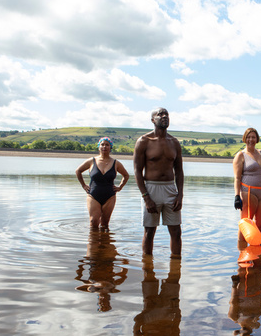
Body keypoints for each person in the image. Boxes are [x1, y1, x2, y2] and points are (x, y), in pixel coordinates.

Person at [134, 108, 184, 257]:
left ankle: (175, 266)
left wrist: (180, 195)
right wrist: (146, 197)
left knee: (176, 231)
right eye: (160, 115)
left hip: (170, 189)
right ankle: (147, 268)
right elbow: (137, 171)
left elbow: (179, 171)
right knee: (149, 231)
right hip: (151, 188)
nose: (164, 117)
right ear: (152, 120)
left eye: (166, 114)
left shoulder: (174, 142)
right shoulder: (144, 141)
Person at [75, 137, 130, 228]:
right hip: (93, 195)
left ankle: (104, 241)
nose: (104, 147)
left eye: (107, 145)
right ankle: (94, 242)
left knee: (105, 223)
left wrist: (120, 187)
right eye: (102, 144)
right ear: (99, 147)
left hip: (110, 196)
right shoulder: (91, 161)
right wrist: (83, 185)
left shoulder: (116, 163)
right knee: (93, 221)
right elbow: (78, 171)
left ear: (110, 147)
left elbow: (126, 175)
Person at [232, 128, 261, 242]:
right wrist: (237, 196)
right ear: (245, 139)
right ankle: (242, 255)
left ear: (257, 139)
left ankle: (255, 251)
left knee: (260, 225)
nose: (251, 139)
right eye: (248, 137)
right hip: (248, 192)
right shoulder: (240, 155)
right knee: (246, 224)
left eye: (253, 137)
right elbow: (237, 178)